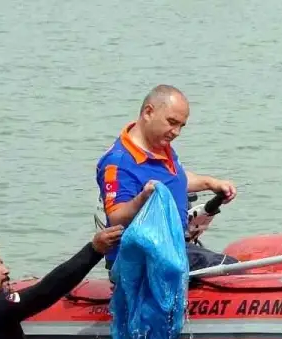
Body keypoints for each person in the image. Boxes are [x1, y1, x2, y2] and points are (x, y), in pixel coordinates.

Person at [95, 84, 239, 276]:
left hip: (173, 247)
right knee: (230, 267)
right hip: (139, 259)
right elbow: (116, 216)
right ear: (148, 112)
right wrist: (143, 197)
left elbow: (175, 178)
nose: (176, 132)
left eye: (181, 126)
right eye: (172, 122)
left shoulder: (160, 145)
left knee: (232, 264)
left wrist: (210, 183)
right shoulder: (118, 161)